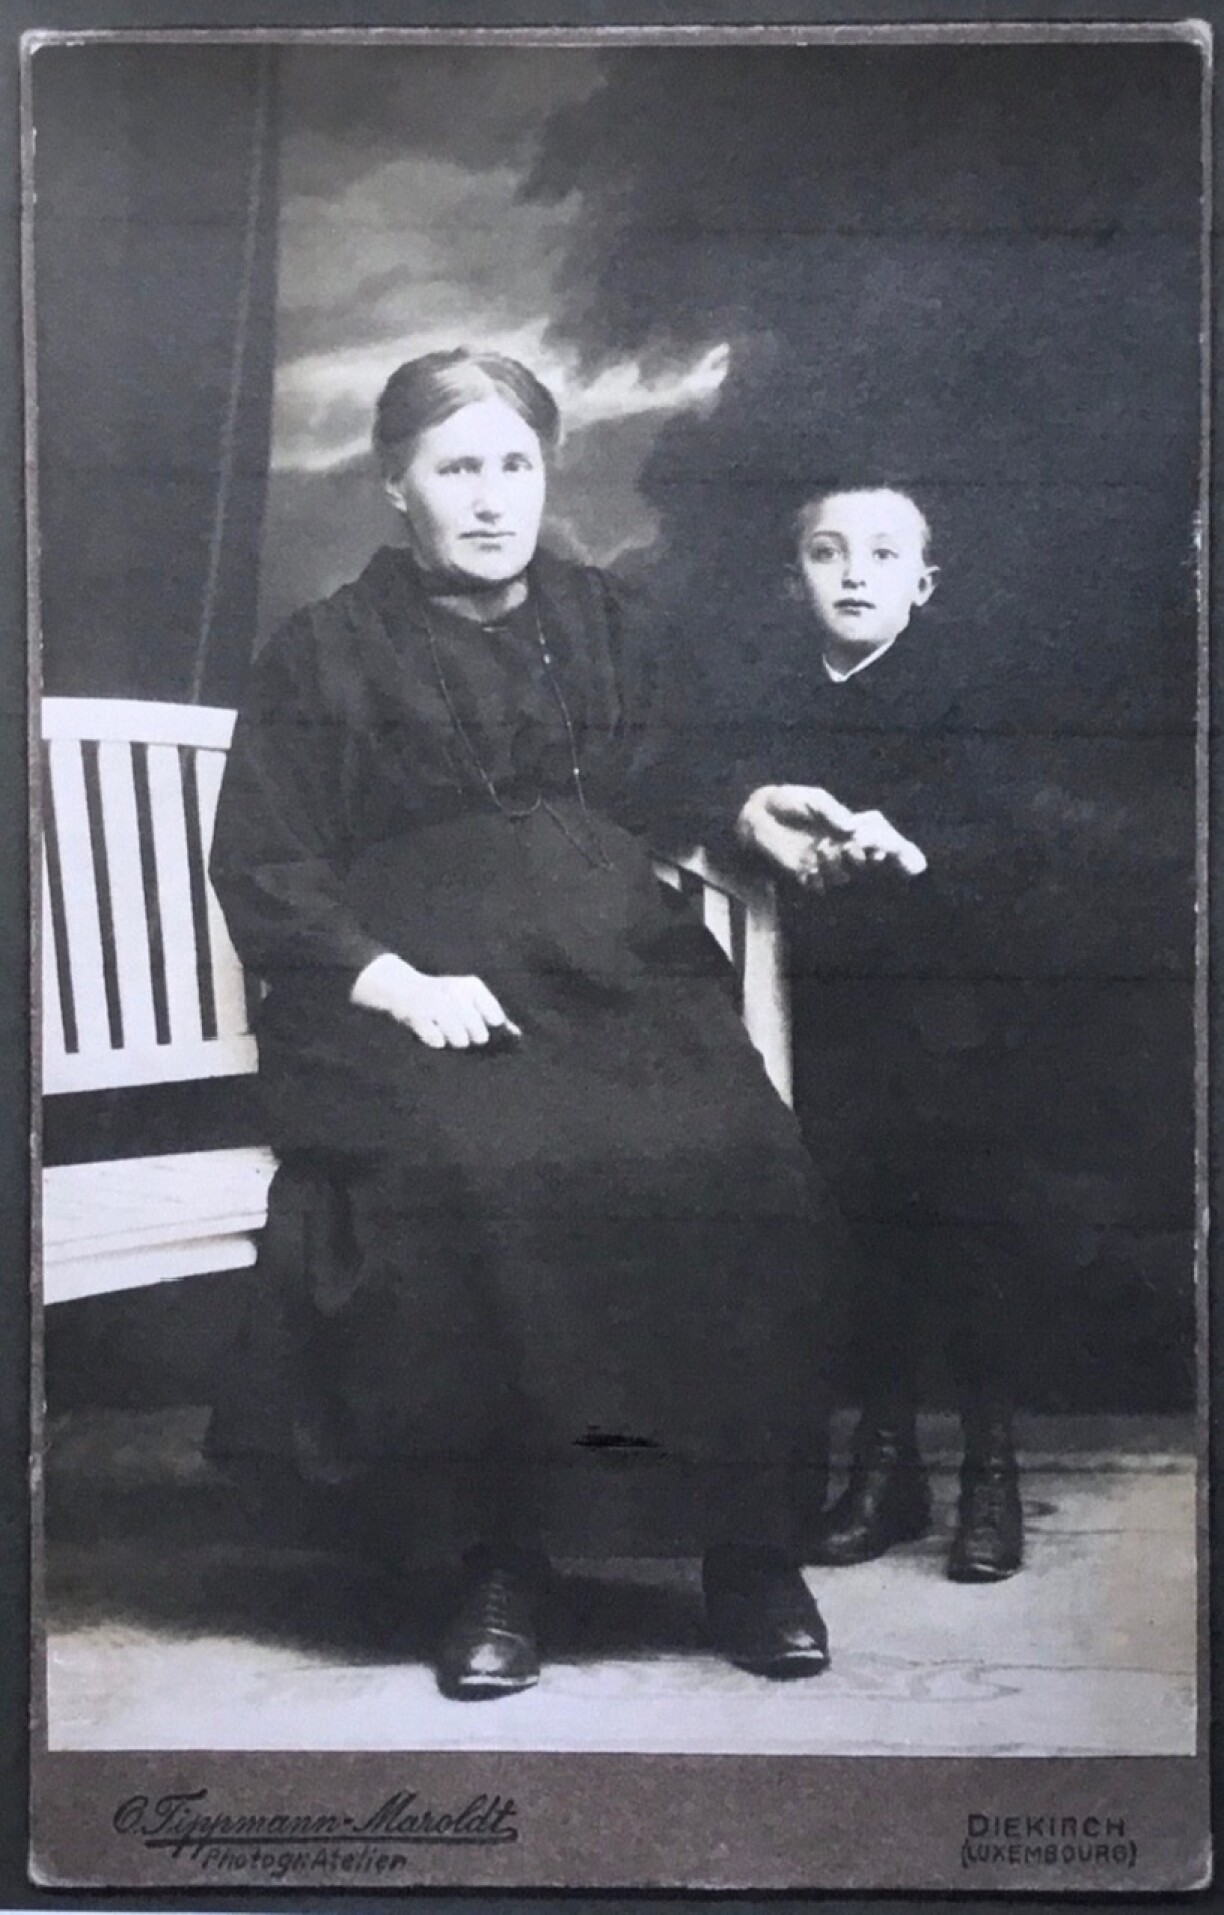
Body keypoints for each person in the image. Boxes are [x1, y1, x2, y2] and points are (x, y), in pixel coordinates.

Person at [209, 347, 840, 1700]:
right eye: (456, 468)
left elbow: (678, 780)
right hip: (412, 991)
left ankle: (748, 1544)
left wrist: (749, 811)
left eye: (515, 464)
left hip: (611, 967)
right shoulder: (324, 648)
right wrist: (396, 978)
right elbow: (268, 864)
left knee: (739, 1153)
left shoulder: (605, 623)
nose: (493, 498)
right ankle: (499, 1555)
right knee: (492, 1171)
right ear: (396, 486)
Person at [734, 486, 1025, 1582]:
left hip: (958, 1013)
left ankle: (990, 1469)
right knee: (861, 1238)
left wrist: (916, 848)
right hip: (830, 1009)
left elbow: (1018, 848)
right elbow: (706, 790)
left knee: (965, 1233)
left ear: (924, 581)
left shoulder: (965, 698)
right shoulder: (777, 703)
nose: (853, 573)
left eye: (883, 554)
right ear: (796, 575)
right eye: (826, 552)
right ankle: (887, 1464)